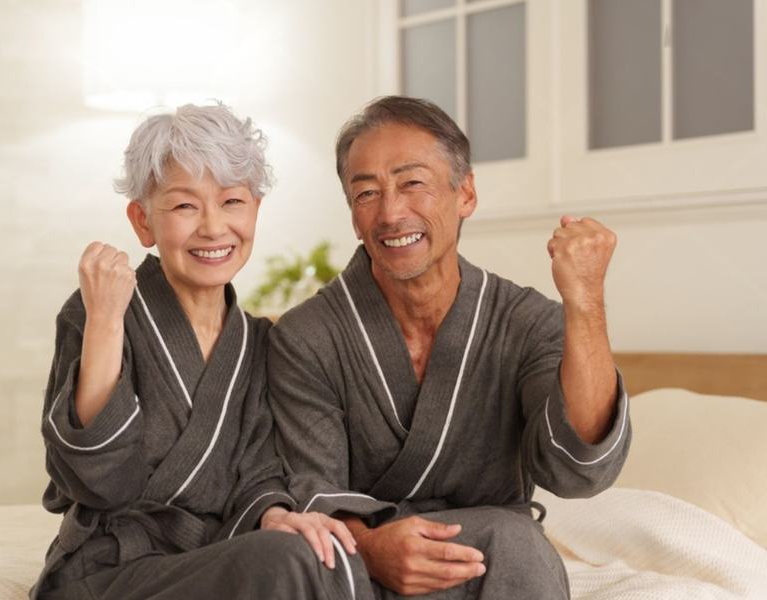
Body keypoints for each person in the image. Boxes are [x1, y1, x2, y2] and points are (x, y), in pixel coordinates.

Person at [267, 95, 632, 599]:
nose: (391, 212)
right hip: (357, 565)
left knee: (516, 541)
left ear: (465, 194)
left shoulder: (526, 323)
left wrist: (585, 299)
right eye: (367, 193)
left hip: (493, 560)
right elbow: (317, 494)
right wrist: (374, 551)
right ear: (354, 216)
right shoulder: (306, 336)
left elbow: (581, 470)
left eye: (413, 183)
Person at [32, 102, 362, 600]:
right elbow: (98, 482)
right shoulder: (101, 309)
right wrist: (105, 319)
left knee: (325, 550)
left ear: (255, 209)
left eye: (232, 202)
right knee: (287, 562)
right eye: (185, 205)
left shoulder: (258, 342)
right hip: (107, 570)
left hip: (210, 556)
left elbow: (260, 472)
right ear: (143, 221)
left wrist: (275, 514)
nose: (213, 227)